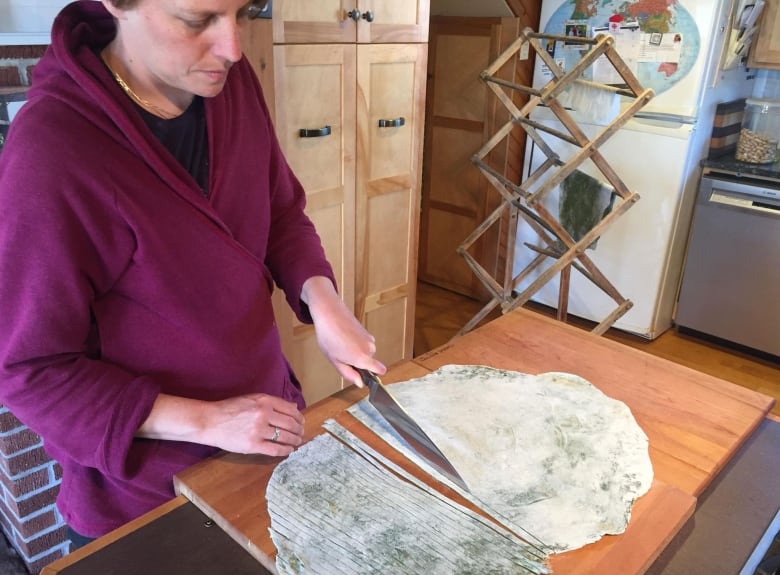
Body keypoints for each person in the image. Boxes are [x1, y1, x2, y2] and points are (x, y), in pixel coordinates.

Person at [0, 0, 386, 547]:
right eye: (197, 19)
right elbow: (31, 372)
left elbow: (278, 212)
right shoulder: (53, 151)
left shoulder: (232, 84)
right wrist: (209, 421)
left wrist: (324, 304)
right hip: (145, 501)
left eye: (246, 11)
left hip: (264, 443)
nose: (232, 47)